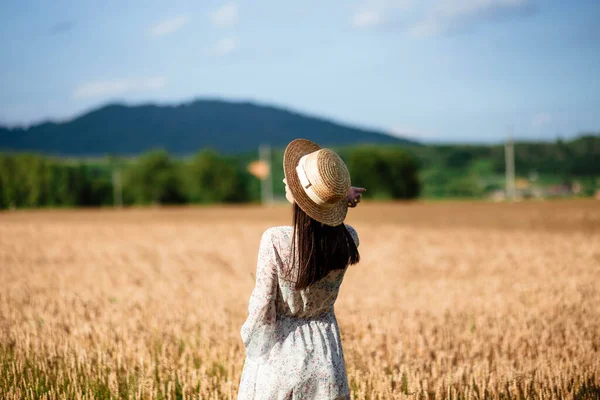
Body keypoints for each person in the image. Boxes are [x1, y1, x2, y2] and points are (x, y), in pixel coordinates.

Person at [238, 139, 365, 399]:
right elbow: (330, 225)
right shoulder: (349, 239)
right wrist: (338, 196)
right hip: (327, 356)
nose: (287, 181)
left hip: (279, 356)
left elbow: (263, 305)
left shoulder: (275, 239)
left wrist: (250, 339)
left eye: (294, 179)